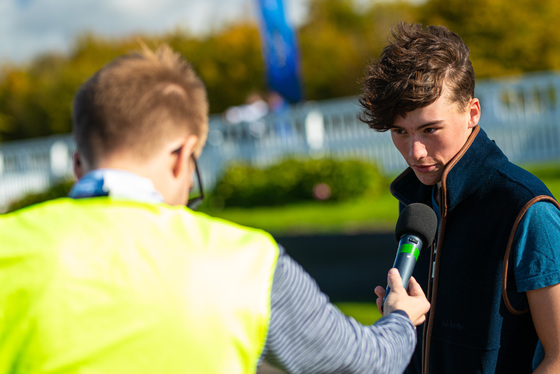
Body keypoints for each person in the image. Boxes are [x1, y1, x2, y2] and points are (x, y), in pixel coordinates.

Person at [0, 45, 430, 374]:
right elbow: (364, 363)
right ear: (180, 154)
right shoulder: (248, 262)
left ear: (78, 163)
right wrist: (399, 319)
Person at [360, 23, 560, 373]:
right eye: (399, 132)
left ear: (472, 113)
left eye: (429, 129)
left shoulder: (526, 209)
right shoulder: (416, 200)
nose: (415, 151)